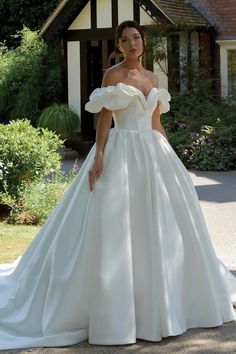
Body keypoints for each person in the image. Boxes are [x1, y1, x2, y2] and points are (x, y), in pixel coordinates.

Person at [0, 20, 236, 350]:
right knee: (116, 225)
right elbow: (105, 119)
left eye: (136, 38)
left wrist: (176, 161)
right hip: (122, 152)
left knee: (160, 224)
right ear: (120, 45)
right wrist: (99, 157)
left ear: (144, 42)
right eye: (125, 40)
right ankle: (119, 308)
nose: (131, 43)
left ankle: (164, 302)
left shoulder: (153, 78)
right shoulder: (112, 75)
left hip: (153, 154)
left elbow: (155, 123)